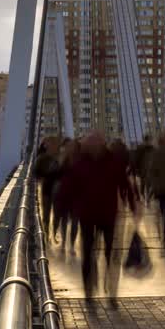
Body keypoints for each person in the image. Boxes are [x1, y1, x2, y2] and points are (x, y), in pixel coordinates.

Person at [65, 130, 136, 304]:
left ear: (102, 145)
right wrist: (65, 208)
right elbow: (68, 188)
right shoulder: (80, 164)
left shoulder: (114, 162)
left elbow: (125, 185)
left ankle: (111, 290)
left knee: (111, 254)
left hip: (108, 215)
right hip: (87, 216)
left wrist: (133, 205)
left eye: (97, 143)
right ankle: (89, 291)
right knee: (88, 253)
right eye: (91, 144)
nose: (94, 147)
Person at [53, 138, 80, 250]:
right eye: (68, 146)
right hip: (64, 194)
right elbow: (56, 174)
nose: (70, 148)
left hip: (76, 195)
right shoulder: (60, 158)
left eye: (71, 146)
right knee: (64, 220)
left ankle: (72, 245)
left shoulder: (79, 159)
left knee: (74, 221)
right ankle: (64, 243)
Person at [31, 137, 60, 239]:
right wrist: (43, 177)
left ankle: (54, 234)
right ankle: (46, 234)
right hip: (46, 190)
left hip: (57, 191)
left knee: (56, 215)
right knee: (46, 214)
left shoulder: (57, 159)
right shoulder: (41, 159)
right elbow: (36, 173)